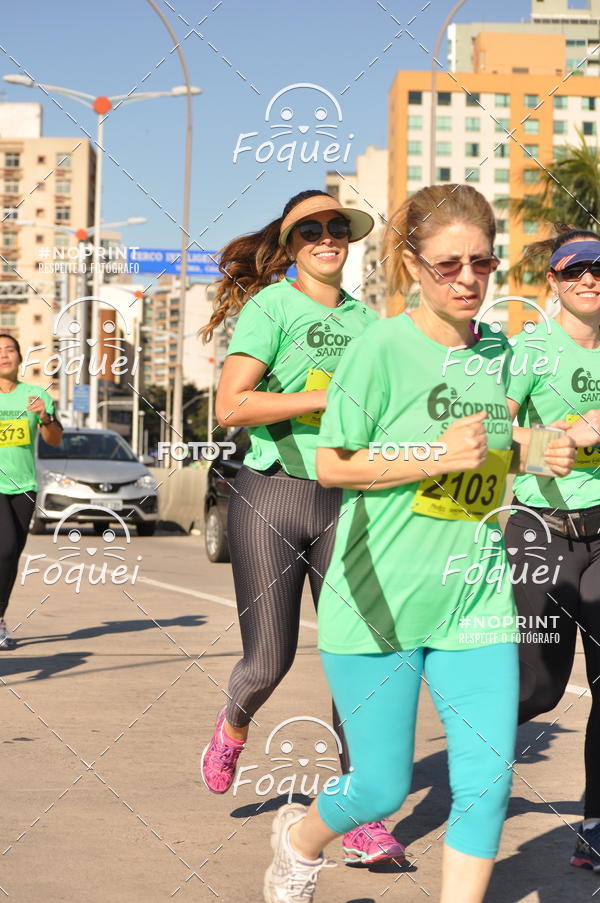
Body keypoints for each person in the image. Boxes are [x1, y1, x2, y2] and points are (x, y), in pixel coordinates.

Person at [262, 184, 576, 903]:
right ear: (411, 266)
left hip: (476, 597)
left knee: (487, 781)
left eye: (482, 263)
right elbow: (331, 462)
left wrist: (534, 448)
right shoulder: (379, 349)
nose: (468, 279)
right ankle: (300, 839)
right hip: (380, 597)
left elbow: (495, 437)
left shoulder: (499, 351)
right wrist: (433, 455)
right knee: (378, 785)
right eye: (447, 265)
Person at [200, 190, 406, 865]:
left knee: (360, 659)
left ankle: (358, 808)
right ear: (290, 245)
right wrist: (329, 393)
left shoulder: (369, 322)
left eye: (338, 226)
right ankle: (234, 723)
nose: (328, 236)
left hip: (345, 500)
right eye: (312, 229)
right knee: (268, 661)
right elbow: (232, 404)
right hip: (271, 495)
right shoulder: (271, 308)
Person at [504, 227, 600, 872]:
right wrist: (550, 444)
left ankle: (594, 823)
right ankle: (476, 772)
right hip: (539, 531)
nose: (590, 278)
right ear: (553, 282)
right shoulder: (529, 349)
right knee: (536, 690)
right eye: (575, 269)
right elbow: (487, 430)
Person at [0, 334, 62, 649]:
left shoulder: (36, 395)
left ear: (20, 358)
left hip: (24, 486)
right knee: (5, 548)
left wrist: (45, 416)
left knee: (11, 556)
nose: (4, 355)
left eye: (10, 350)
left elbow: (54, 438)